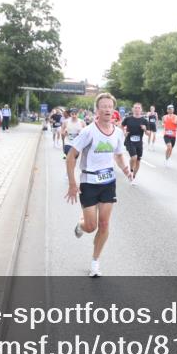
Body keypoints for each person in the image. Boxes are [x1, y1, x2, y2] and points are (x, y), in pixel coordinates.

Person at [65, 92, 133, 277]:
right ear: (97, 110)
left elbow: (118, 155)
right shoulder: (88, 131)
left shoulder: (118, 132)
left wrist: (125, 169)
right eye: (103, 106)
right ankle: (81, 226)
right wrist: (72, 183)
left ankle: (95, 261)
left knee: (104, 224)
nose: (107, 109)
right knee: (91, 226)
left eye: (110, 106)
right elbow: (71, 157)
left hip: (108, 182)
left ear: (114, 110)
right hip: (89, 183)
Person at [121, 102, 148, 183]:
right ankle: (131, 171)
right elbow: (121, 126)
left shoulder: (144, 120)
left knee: (138, 161)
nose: (137, 109)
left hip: (139, 143)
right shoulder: (128, 119)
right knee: (134, 157)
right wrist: (124, 132)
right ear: (133, 109)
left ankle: (133, 176)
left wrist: (145, 129)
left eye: (138, 108)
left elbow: (148, 133)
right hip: (129, 141)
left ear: (141, 110)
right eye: (135, 108)